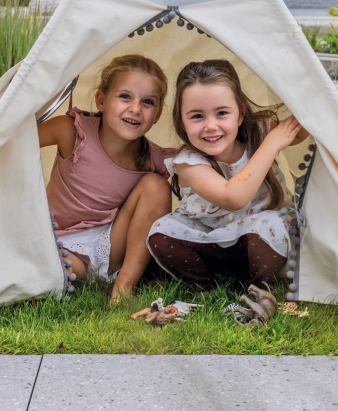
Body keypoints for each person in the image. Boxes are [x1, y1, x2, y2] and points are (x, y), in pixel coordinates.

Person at [148, 59, 306, 290]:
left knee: (272, 224)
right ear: (181, 120)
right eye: (196, 116)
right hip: (208, 240)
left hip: (258, 240)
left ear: (240, 114)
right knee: (161, 232)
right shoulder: (187, 162)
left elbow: (304, 127)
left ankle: (256, 288)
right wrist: (271, 146)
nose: (210, 126)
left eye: (221, 113)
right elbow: (233, 198)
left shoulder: (259, 132)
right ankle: (207, 285)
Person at [37, 54, 172, 304]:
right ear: (101, 100)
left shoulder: (153, 158)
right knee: (49, 272)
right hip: (59, 240)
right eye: (125, 96)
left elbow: (205, 163)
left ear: (158, 114)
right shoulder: (73, 132)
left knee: (156, 186)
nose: (135, 108)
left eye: (148, 102)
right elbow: (13, 142)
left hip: (111, 245)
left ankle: (123, 287)